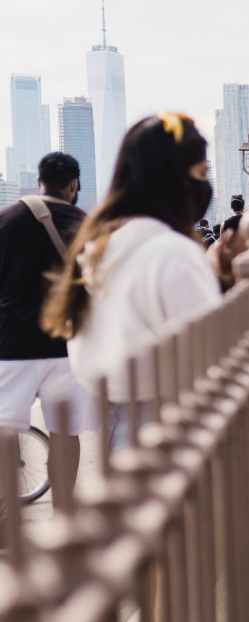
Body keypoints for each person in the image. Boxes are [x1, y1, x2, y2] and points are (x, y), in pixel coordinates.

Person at [41, 114, 221, 445]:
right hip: (172, 421)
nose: (205, 185)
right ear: (174, 179)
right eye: (201, 173)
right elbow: (212, 354)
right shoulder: (174, 254)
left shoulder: (98, 244)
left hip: (111, 419)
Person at [0, 151, 95, 501]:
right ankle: (64, 514)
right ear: (73, 185)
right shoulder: (83, 223)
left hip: (12, 346)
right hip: (65, 346)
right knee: (65, 433)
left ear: (39, 182)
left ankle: (4, 514)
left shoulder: (6, 220)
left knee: (5, 432)